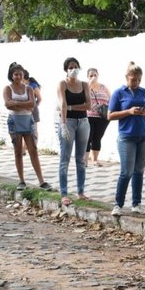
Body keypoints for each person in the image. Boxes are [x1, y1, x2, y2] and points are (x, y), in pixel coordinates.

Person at [108, 61, 145, 217]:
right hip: (126, 136)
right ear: (126, 77)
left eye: (138, 80)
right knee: (126, 171)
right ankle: (118, 204)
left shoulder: (144, 92)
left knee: (139, 171)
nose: (135, 82)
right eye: (133, 79)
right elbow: (110, 115)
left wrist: (144, 112)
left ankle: (137, 203)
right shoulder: (119, 93)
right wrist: (128, 111)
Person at [4, 63, 51, 191]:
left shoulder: (29, 88)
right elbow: (7, 104)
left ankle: (41, 181)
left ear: (23, 74)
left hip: (28, 120)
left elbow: (32, 105)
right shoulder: (8, 88)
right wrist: (23, 104)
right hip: (14, 120)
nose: (18, 76)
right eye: (15, 74)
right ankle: (21, 180)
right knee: (18, 151)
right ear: (12, 76)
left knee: (33, 150)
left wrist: (16, 103)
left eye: (20, 74)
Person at [57, 57, 91, 206]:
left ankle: (81, 191)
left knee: (81, 159)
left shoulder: (84, 84)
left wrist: (72, 108)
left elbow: (88, 105)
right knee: (65, 158)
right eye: (70, 67)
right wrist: (63, 124)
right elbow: (63, 105)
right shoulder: (62, 84)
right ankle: (64, 193)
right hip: (68, 122)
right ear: (66, 69)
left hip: (83, 121)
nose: (73, 69)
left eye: (75, 66)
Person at [85, 67, 111, 167]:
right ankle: (85, 160)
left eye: (95, 75)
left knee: (97, 138)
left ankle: (95, 160)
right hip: (89, 116)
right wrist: (90, 83)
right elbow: (82, 95)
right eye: (91, 75)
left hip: (102, 117)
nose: (93, 77)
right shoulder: (86, 86)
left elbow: (111, 99)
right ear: (87, 77)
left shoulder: (103, 87)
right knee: (88, 138)